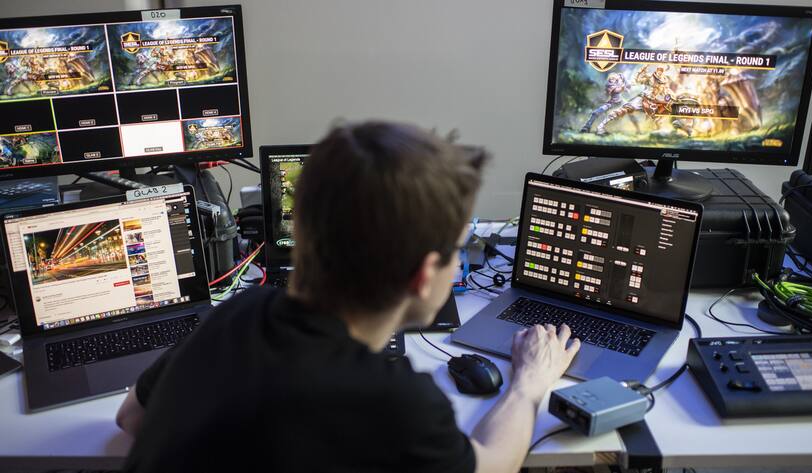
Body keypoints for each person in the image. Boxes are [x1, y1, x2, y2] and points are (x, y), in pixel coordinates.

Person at [116, 121, 581, 473]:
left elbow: (131, 417)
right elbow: (491, 464)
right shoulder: (396, 403)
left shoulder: (233, 316)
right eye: (458, 250)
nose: (460, 265)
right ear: (422, 276)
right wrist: (529, 384)